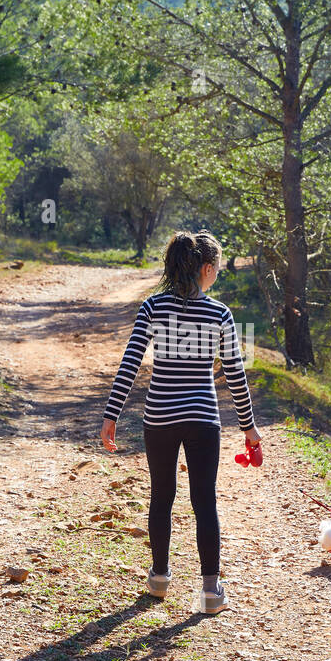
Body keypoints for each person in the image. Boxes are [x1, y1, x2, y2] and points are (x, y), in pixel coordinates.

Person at [100, 231, 261, 614]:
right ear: (206, 269)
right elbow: (235, 375)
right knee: (204, 500)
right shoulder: (219, 313)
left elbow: (130, 363)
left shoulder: (152, 307)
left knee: (162, 495)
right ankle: (209, 592)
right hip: (203, 418)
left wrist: (112, 414)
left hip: (160, 416)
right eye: (217, 269)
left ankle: (159, 578)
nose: (217, 275)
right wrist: (249, 428)